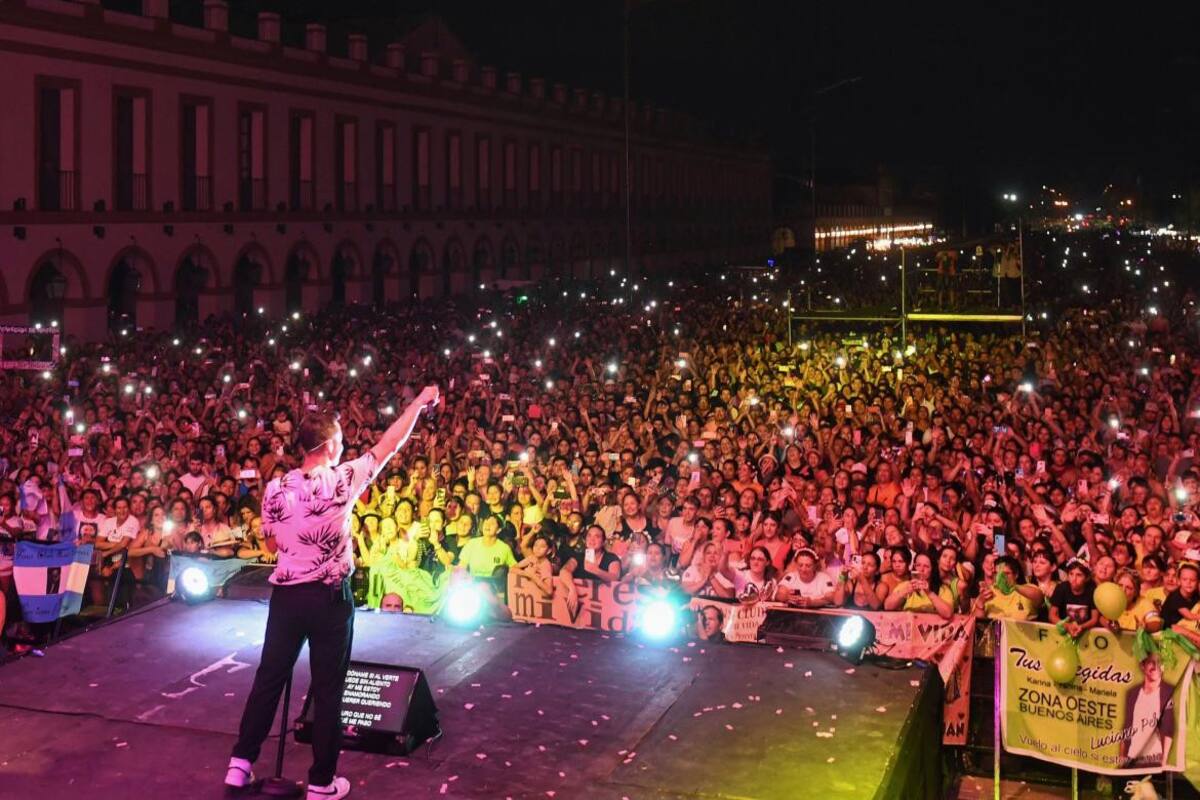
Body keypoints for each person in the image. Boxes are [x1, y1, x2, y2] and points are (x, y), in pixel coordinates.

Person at [225, 385, 439, 800]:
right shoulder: (343, 479)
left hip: (287, 598)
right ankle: (322, 783)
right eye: (341, 440)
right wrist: (417, 402)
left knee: (269, 679)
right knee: (328, 689)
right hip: (328, 598)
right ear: (331, 445)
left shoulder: (275, 489)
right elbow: (390, 444)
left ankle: (239, 765)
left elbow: (271, 545)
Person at [1119, 653, 1175, 769]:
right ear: (1142, 666)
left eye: (1159, 662)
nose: (1155, 666)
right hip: (1131, 760)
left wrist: (1163, 762)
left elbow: (1168, 729)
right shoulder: (1132, 693)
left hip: (1155, 761)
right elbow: (1127, 727)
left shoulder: (1168, 691)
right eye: (1151, 662)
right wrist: (1122, 757)